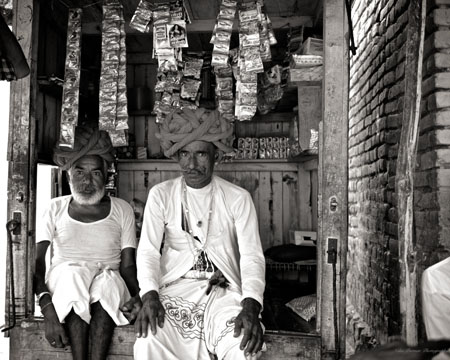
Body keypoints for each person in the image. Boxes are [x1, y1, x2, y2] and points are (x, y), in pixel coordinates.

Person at [134, 108, 266, 360]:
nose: (191, 164)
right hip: (175, 289)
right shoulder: (161, 195)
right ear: (176, 155)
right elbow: (148, 251)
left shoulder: (238, 198)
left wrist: (251, 304)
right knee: (148, 342)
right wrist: (149, 295)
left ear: (216, 155)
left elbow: (252, 256)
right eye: (184, 153)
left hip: (224, 291)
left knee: (243, 348)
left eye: (201, 154)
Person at [34, 126, 141, 360]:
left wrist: (138, 296)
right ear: (68, 174)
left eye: (95, 173)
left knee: (107, 285)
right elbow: (37, 264)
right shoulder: (54, 208)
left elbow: (128, 265)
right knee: (74, 279)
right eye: (79, 172)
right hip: (66, 280)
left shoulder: (121, 209)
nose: (87, 181)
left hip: (108, 276)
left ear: (106, 175)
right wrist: (47, 308)